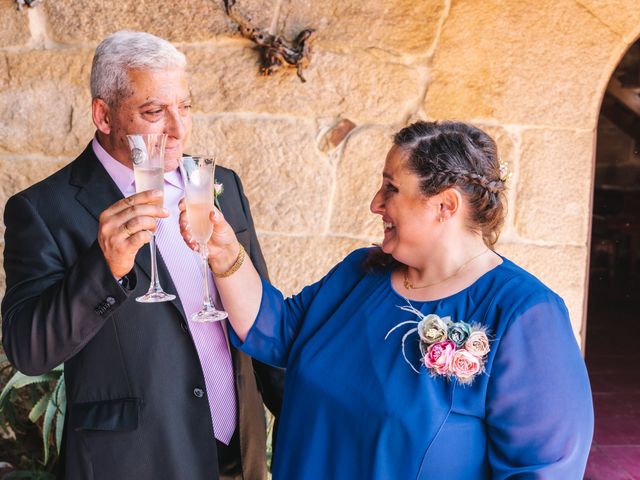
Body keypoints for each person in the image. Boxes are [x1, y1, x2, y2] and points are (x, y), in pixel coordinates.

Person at [180, 121, 594, 479]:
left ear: (444, 205)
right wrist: (224, 253)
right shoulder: (361, 272)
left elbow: (543, 470)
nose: (376, 204)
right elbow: (275, 330)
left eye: (391, 189)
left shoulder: (523, 313)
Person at [2, 30, 283, 480]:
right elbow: (28, 349)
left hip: (240, 454)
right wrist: (104, 267)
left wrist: (301, 420)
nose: (177, 128)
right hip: (135, 462)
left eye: (185, 107)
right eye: (154, 111)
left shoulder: (221, 184)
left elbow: (260, 313)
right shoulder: (42, 209)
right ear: (103, 114)